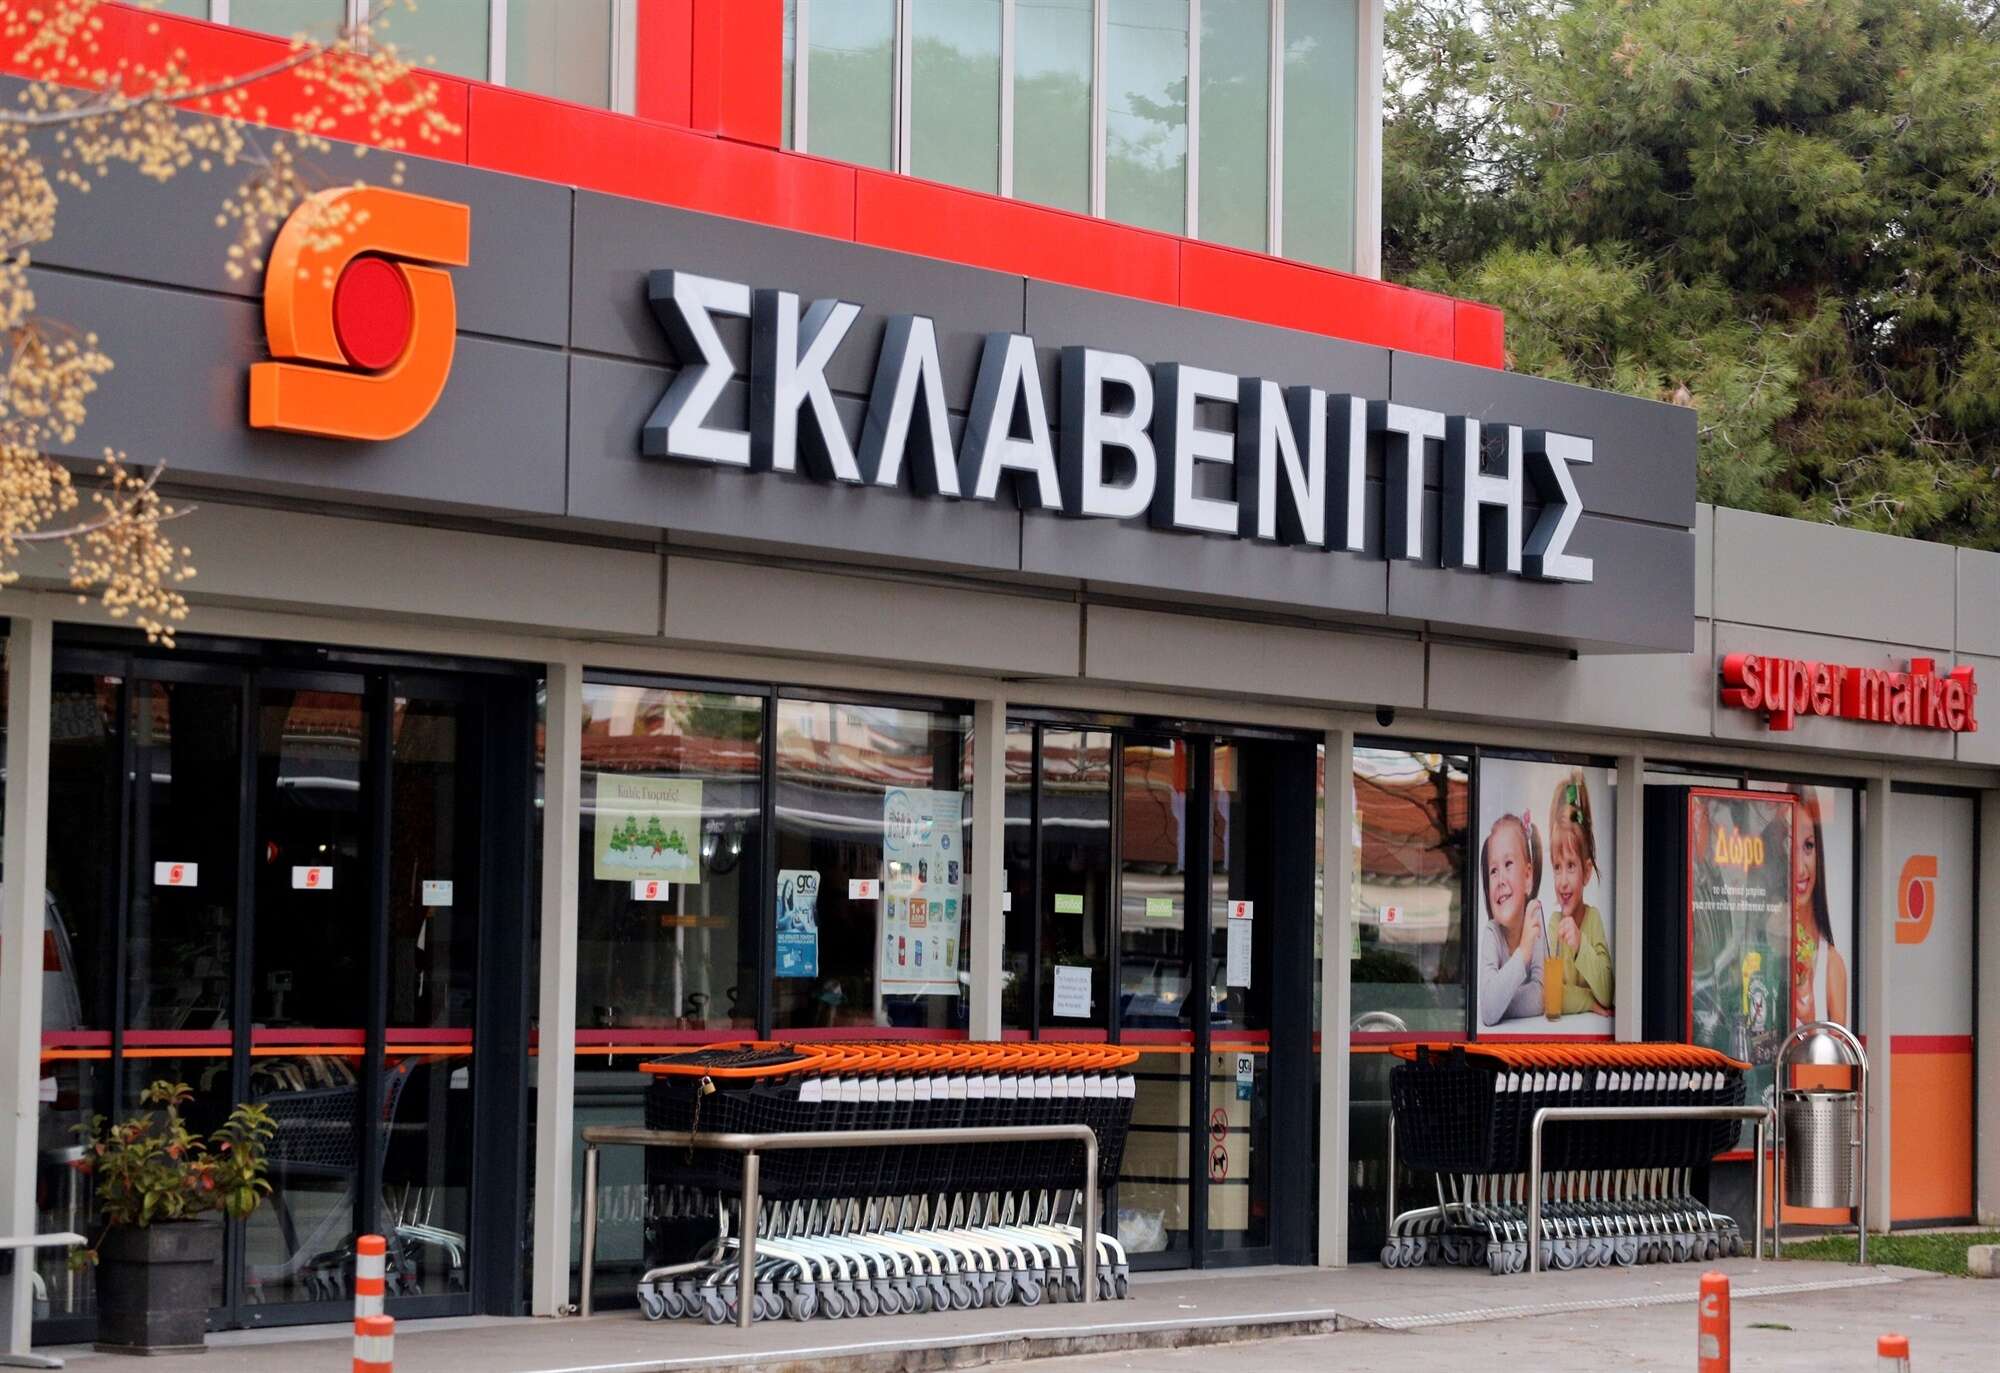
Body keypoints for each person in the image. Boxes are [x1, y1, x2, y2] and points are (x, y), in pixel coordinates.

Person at [1546, 771, 1614, 1017]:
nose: (1563, 881)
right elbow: (1550, 996)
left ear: (1586, 872)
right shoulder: (1554, 925)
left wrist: (1579, 946)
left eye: (1571, 866)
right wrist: (1590, 1002)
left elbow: (1607, 992)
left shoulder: (1593, 920)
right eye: (1557, 867)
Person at [1478, 811, 1544, 1025]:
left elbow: (1542, 996)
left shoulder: (1534, 920)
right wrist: (1523, 952)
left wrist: (1500, 1000)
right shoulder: (1492, 933)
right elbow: (1488, 1011)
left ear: (1528, 877)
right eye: (1493, 871)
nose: (1500, 880)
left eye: (1508, 864)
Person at [1790, 788, 1849, 1027]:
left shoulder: (1831, 964)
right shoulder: (1764, 955)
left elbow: (1839, 1047)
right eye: (1789, 847)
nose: (1800, 868)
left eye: (1808, 846)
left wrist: (1809, 1020)